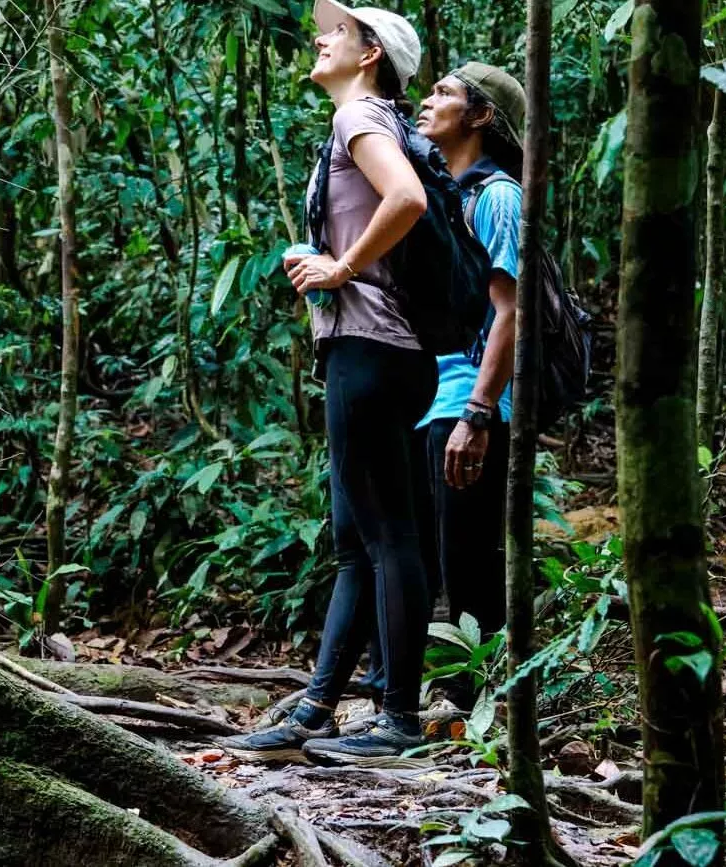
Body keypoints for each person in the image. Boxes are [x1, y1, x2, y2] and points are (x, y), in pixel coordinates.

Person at [220, 0, 437, 768]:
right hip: (378, 349)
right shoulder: (364, 122)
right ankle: (316, 708)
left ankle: (399, 720)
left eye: (338, 31)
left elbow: (406, 199)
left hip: (373, 346)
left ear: (370, 52)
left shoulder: (361, 120)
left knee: (386, 536)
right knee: (357, 541)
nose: (321, 37)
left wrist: (340, 268)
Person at [416, 64, 525, 680]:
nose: (428, 102)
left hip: (471, 405)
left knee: (470, 566)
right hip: (432, 398)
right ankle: (446, 701)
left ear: (480, 117)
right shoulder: (442, 191)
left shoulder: (498, 195)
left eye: (445, 94)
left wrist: (478, 414)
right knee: (439, 562)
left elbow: (511, 311)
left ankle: (477, 711)